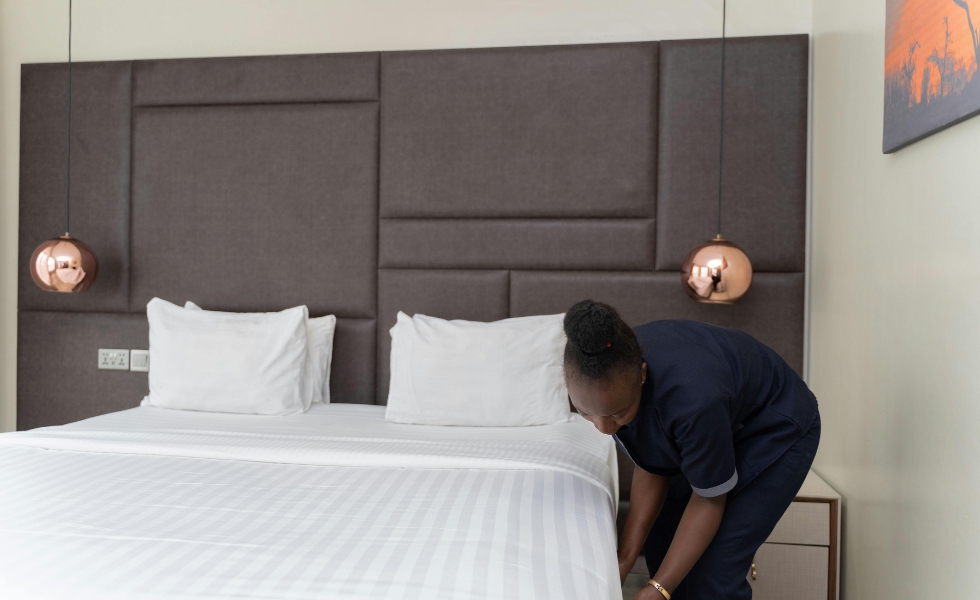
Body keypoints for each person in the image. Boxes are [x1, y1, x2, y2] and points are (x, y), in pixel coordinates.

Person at [562, 300, 820, 600]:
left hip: (776, 427)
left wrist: (658, 588)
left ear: (642, 375)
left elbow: (709, 500)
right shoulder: (608, 369)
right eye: (585, 413)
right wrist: (625, 558)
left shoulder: (693, 402)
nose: (603, 428)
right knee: (662, 544)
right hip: (715, 420)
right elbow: (653, 463)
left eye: (617, 414)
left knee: (715, 572)